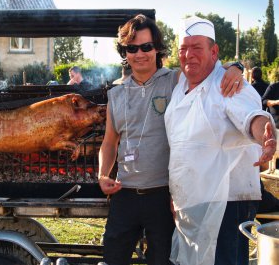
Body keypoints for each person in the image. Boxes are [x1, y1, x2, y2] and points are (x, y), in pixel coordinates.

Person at [98, 14, 244, 265]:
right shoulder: (116, 93)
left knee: (162, 261)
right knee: (113, 258)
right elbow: (110, 142)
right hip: (125, 194)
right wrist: (102, 174)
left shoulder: (175, 80)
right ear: (125, 52)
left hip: (163, 196)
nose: (140, 54)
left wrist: (236, 67)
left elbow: (207, 67)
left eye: (146, 46)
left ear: (157, 49)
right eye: (132, 48)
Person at [165, 16, 276, 265]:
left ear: (214, 52)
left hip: (227, 203)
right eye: (183, 49)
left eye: (197, 48)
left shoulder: (229, 84)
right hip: (191, 200)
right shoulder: (180, 83)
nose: (188, 55)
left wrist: (263, 132)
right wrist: (177, 195)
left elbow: (248, 115)